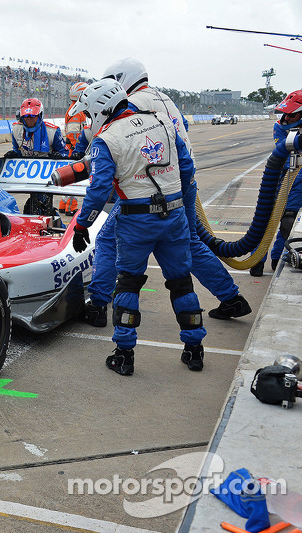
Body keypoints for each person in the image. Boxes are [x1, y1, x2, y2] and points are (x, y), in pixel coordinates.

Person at [79, 57, 250, 328]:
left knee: (108, 240)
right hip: (181, 182)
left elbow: (113, 146)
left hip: (149, 193)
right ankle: (231, 297)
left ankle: (99, 303)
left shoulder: (131, 105)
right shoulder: (164, 98)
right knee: (190, 243)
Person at [70, 78, 206, 375]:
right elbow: (187, 167)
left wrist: (82, 225)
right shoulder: (161, 121)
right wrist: (177, 204)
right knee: (182, 282)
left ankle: (124, 354)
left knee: (129, 283)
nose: (88, 120)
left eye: (89, 114)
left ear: (100, 109)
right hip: (174, 216)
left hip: (136, 220)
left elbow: (99, 189)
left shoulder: (106, 139)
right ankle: (195, 349)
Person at [249, 90, 302, 276]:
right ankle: (256, 260)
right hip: (279, 176)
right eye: (285, 113)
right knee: (265, 220)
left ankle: (277, 258)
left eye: (292, 114)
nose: (286, 117)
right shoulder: (279, 127)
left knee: (288, 221)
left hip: (299, 183)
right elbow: (283, 151)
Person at [60, 82, 88, 215]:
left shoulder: (75, 109)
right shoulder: (77, 111)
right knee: (75, 180)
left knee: (69, 179)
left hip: (72, 150)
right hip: (75, 152)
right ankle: (71, 207)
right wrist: (78, 151)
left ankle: (63, 205)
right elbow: (74, 134)